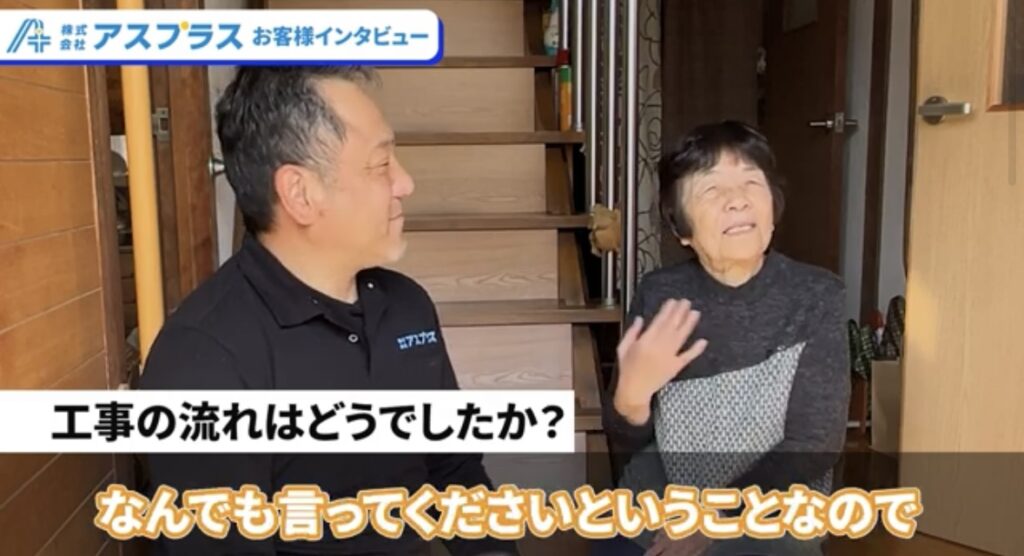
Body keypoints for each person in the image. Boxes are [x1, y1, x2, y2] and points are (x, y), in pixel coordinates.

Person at [140, 66, 517, 556]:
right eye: (381, 164)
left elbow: (453, 472)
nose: (405, 183)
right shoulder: (202, 359)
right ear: (301, 194)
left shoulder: (407, 307)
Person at [596, 121, 851, 555]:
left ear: (773, 207)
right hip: (670, 484)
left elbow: (814, 445)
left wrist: (714, 516)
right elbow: (626, 438)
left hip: (774, 497)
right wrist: (631, 400)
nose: (738, 200)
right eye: (711, 189)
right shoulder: (661, 294)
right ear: (682, 229)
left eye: (752, 182)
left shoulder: (817, 295)